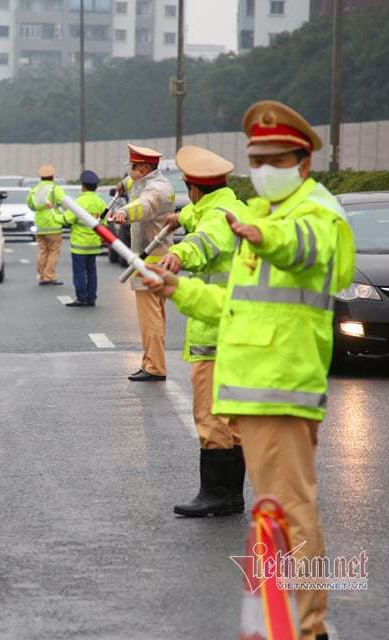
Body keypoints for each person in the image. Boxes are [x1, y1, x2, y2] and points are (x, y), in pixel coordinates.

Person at [143, 100, 355, 640]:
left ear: (302, 163)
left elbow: (306, 252)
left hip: (281, 387)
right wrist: (179, 289)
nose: (262, 168)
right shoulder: (264, 216)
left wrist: (268, 239)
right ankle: (281, 622)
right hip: (258, 392)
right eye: (256, 158)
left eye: (275, 159)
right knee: (274, 513)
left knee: (290, 510)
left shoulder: (314, 215)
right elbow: (236, 306)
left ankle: (306, 629)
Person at [159, 145, 249, 518]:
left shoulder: (216, 218)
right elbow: (200, 218)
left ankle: (216, 494)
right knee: (235, 418)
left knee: (212, 416)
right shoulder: (234, 206)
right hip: (243, 329)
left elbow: (207, 239)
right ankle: (232, 495)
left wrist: (179, 253)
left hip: (216, 332)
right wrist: (178, 218)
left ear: (194, 188)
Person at [109, 144, 175, 381]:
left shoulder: (157, 189)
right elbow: (132, 184)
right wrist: (122, 184)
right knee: (154, 317)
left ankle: (155, 367)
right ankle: (151, 361)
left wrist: (123, 213)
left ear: (146, 167)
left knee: (151, 319)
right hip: (148, 259)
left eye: (134, 167)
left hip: (151, 261)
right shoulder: (144, 180)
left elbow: (144, 205)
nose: (132, 171)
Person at [62, 170, 107, 307]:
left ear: (83, 186)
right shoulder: (101, 202)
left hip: (79, 245)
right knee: (92, 271)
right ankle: (91, 298)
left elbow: (68, 219)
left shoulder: (79, 201)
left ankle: (81, 298)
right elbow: (103, 223)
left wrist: (57, 217)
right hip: (94, 243)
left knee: (80, 272)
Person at [26, 164, 66, 286]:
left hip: (39, 225)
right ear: (53, 176)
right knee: (54, 251)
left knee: (43, 251)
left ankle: (42, 276)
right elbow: (64, 203)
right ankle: (50, 276)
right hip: (53, 225)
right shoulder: (55, 189)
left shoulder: (35, 190)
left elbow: (31, 205)